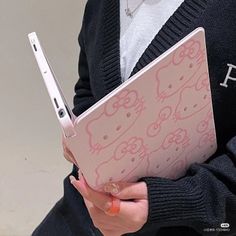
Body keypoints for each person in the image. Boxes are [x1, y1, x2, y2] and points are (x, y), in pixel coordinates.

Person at [33, 0, 236, 235]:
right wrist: (83, 132)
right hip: (82, 213)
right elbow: (88, 84)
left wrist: (171, 203)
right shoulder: (101, 7)